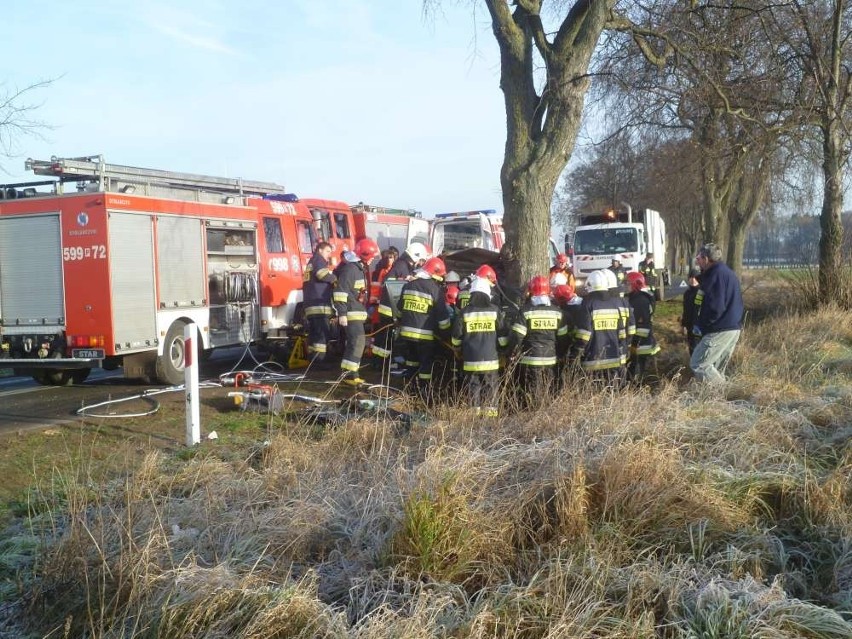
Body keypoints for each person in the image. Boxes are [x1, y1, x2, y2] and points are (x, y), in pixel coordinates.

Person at [451, 276, 508, 417]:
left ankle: (474, 418)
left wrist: (458, 350)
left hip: (470, 360)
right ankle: (490, 419)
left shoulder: (464, 312)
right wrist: (503, 351)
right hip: (491, 359)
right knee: (490, 387)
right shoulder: (495, 311)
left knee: (473, 387)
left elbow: (456, 338)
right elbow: (502, 337)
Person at [397, 257, 452, 397]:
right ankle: (424, 391)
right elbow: (443, 318)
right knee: (425, 364)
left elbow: (399, 309)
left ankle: (409, 389)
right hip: (425, 336)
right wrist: (447, 335)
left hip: (406, 335)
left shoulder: (408, 285)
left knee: (411, 361)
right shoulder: (435, 290)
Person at [507, 275, 566, 405]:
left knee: (533, 390)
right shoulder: (557, 312)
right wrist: (560, 354)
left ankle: (534, 414)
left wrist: (512, 352)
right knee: (549, 388)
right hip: (551, 358)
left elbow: (517, 336)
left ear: (531, 291)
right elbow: (563, 337)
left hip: (531, 359)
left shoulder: (526, 312)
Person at [690, 243, 744, 383]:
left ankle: (726, 394)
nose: (697, 260)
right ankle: (718, 402)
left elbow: (716, 307)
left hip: (720, 329)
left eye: (699, 257)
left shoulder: (716, 276)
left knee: (699, 364)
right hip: (732, 328)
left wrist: (704, 326)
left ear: (707, 259)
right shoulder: (726, 273)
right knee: (716, 369)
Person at [332, 238, 380, 386]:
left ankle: (348, 373)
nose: (372, 260)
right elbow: (340, 292)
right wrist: (342, 314)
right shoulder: (351, 269)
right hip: (351, 313)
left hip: (356, 312)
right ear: (364, 255)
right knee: (358, 343)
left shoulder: (357, 268)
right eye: (371, 257)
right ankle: (351, 376)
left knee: (354, 343)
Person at [574, 269, 627, 385]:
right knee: (612, 394)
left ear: (590, 286)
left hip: (593, 360)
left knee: (595, 395)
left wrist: (576, 350)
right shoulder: (614, 304)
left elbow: (584, 334)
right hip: (614, 357)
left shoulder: (588, 304)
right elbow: (622, 334)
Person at [302, 241, 336, 368]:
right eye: (327, 251)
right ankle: (320, 362)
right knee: (322, 334)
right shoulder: (318, 260)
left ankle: (313, 359)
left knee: (314, 334)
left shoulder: (311, 262)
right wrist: (335, 279)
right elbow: (322, 275)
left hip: (311, 303)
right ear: (320, 250)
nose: (329, 255)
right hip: (319, 304)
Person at [625, 271, 660, 382]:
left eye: (627, 283)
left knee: (639, 369)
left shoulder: (640, 301)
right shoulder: (636, 298)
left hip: (641, 344)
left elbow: (643, 325)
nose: (625, 286)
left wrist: (634, 343)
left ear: (636, 284)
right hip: (640, 342)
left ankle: (639, 387)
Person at [680, 267, 701, 355]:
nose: (693, 280)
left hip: (698, 327)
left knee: (698, 350)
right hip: (689, 326)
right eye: (691, 277)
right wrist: (683, 324)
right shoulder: (687, 293)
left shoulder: (701, 292)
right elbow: (685, 310)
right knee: (691, 349)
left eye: (695, 277)